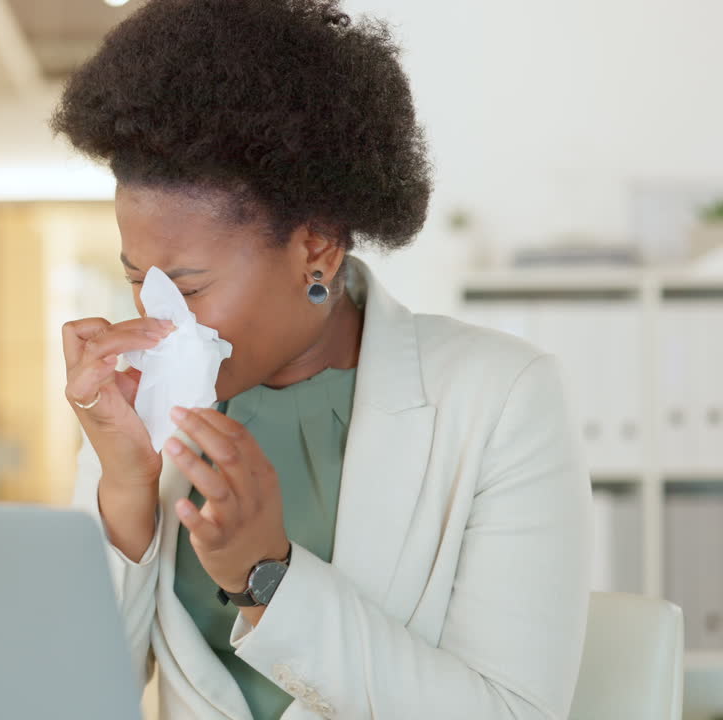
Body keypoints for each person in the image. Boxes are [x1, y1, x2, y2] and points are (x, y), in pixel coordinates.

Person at [53, 1, 592, 718]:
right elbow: (74, 699)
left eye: (186, 286)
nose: (158, 316)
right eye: (136, 279)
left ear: (317, 248)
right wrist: (123, 492)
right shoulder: (140, 413)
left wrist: (264, 574)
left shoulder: (501, 400)